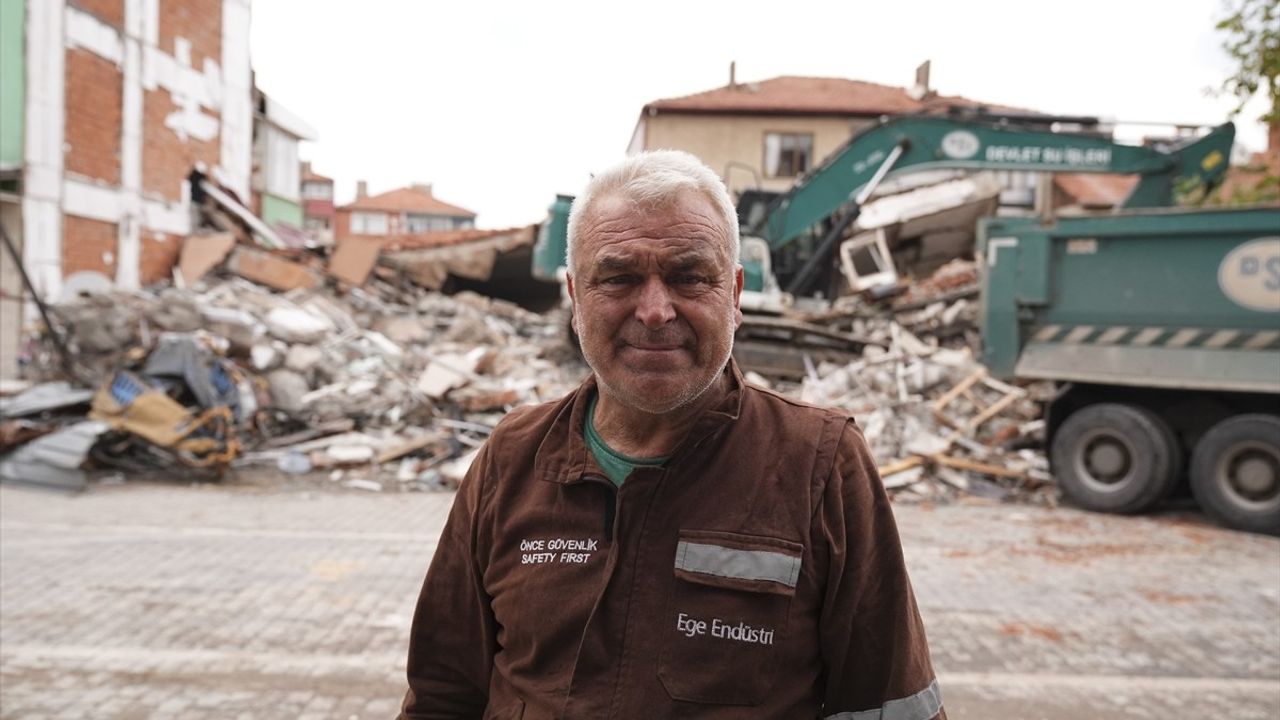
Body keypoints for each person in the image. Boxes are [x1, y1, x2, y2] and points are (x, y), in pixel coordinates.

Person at [399, 150, 945, 720]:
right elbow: (443, 694)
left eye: (688, 276)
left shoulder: (821, 466)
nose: (656, 310)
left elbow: (891, 708)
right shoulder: (513, 458)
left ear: (733, 296)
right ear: (574, 299)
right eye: (618, 278)